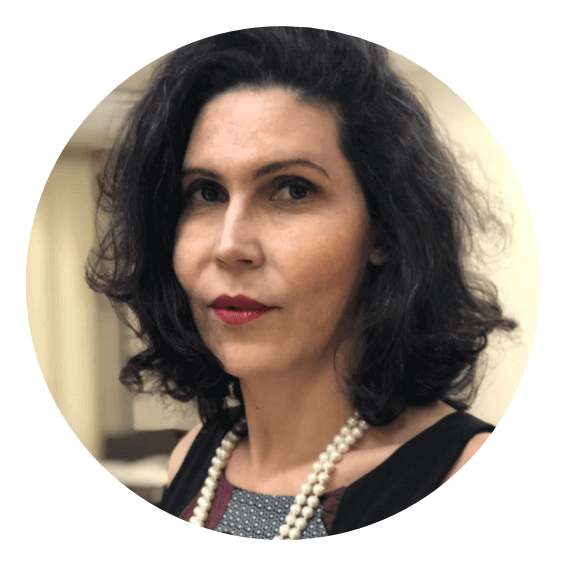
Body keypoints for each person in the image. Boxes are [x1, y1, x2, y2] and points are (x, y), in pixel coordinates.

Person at [86, 27, 516, 539]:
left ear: (383, 230)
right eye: (206, 192)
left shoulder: (469, 477)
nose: (230, 245)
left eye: (292, 190)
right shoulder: (192, 457)